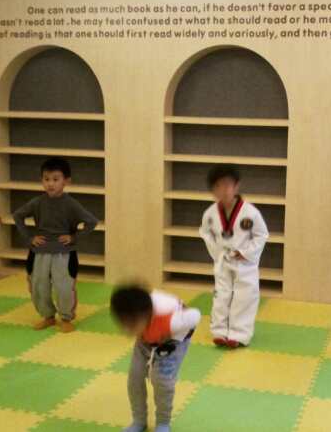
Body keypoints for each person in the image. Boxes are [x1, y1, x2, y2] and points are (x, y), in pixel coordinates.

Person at [12, 157, 98, 333]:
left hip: (63, 253)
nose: (50, 184)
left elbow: (91, 222)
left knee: (64, 287)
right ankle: (48, 316)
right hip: (39, 252)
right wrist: (29, 237)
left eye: (55, 179)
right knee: (39, 286)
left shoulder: (71, 204)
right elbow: (18, 216)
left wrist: (74, 237)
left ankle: (66, 317)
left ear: (66, 181)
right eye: (46, 179)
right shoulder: (37, 202)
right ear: (42, 180)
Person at [111, 284, 201, 432]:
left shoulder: (169, 320)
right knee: (135, 377)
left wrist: (173, 327)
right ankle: (139, 421)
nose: (127, 329)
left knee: (162, 381)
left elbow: (195, 315)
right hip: (146, 339)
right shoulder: (136, 313)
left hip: (172, 343)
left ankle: (163, 423)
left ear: (146, 315)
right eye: (124, 324)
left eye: (131, 325)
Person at [199, 165, 268, 348]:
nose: (223, 190)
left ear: (236, 186)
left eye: (227, 185)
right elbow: (205, 233)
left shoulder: (250, 212)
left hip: (244, 263)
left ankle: (239, 334)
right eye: (218, 186)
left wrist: (245, 252)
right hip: (223, 260)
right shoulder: (210, 214)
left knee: (244, 297)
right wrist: (217, 252)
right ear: (213, 190)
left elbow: (262, 235)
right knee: (221, 295)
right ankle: (219, 331)